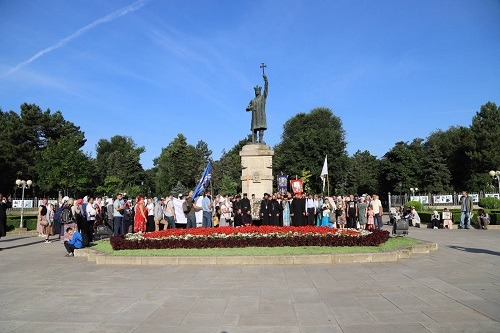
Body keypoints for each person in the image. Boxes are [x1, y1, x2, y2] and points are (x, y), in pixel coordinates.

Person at [246, 73, 268, 144]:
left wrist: (266, 80)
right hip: (255, 117)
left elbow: (266, 91)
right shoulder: (253, 100)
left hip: (261, 115)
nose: (257, 92)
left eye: (258, 91)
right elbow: (247, 108)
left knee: (261, 128)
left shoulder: (262, 98)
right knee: (254, 129)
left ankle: (261, 140)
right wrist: (250, 108)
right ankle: (254, 140)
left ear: (260, 91)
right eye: (256, 91)